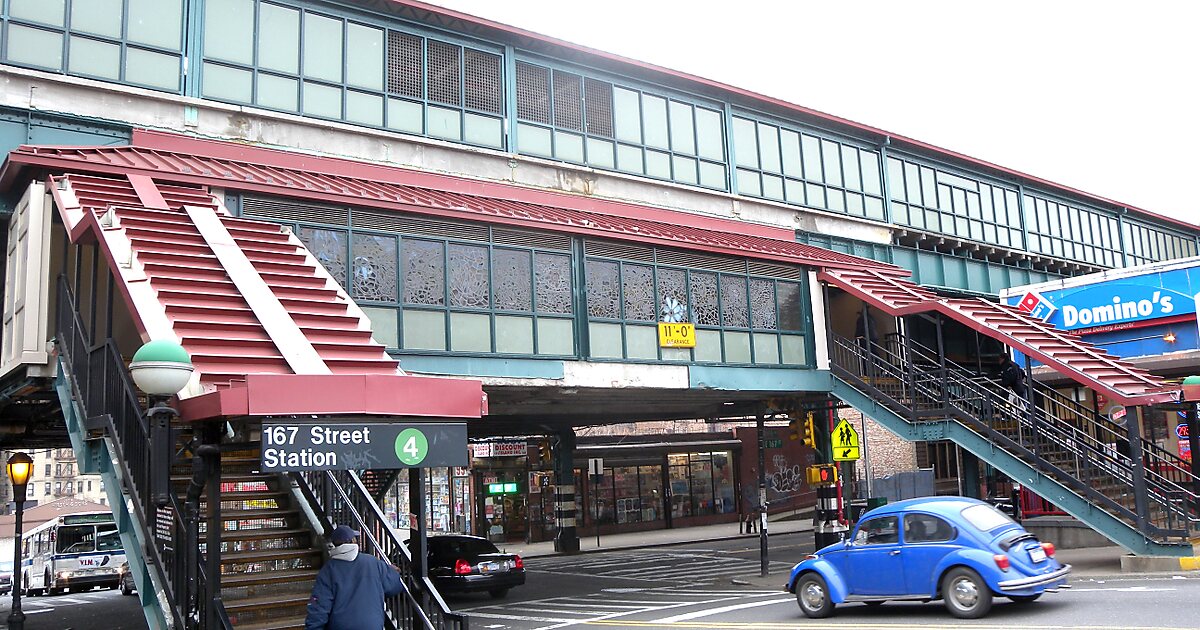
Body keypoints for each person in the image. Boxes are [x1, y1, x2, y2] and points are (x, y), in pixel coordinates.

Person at [305, 525, 403, 630]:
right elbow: (394, 586)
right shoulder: (373, 562)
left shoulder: (328, 571)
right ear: (353, 541)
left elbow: (319, 607)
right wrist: (393, 571)